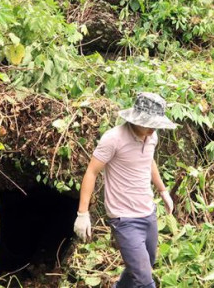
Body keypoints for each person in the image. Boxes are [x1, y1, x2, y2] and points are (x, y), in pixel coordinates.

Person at [73, 92, 177, 288]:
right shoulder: (113, 139)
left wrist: (163, 191)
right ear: (136, 119)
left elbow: (149, 161)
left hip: (148, 212)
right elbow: (91, 172)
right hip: (124, 219)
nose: (153, 129)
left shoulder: (151, 137)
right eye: (149, 124)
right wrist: (83, 213)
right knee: (145, 281)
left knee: (140, 267)